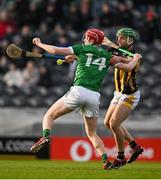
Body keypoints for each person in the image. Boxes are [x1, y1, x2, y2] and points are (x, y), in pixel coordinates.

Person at [30, 28, 141, 170]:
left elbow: (53, 50)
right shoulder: (107, 56)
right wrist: (136, 59)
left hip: (79, 91)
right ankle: (105, 160)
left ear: (88, 39)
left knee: (49, 116)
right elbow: (128, 66)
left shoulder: (81, 48)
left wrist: (40, 44)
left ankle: (46, 136)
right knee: (92, 133)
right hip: (94, 97)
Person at [104, 28, 143, 169]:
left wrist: (134, 58)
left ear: (130, 40)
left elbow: (128, 66)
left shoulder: (135, 56)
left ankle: (120, 157)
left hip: (130, 95)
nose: (118, 40)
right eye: (118, 37)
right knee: (108, 123)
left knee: (114, 123)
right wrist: (75, 57)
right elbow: (97, 56)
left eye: (122, 37)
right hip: (118, 93)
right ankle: (135, 147)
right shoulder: (115, 50)